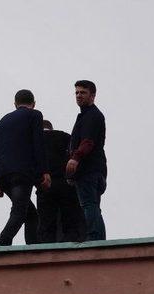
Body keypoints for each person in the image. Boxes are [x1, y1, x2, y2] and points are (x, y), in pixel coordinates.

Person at [0, 89, 50, 246]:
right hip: (22, 174)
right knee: (19, 211)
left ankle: (33, 246)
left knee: (31, 214)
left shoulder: (2, 122)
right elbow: (38, 143)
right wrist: (44, 171)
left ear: (15, 104)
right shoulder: (35, 115)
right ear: (34, 104)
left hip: (3, 175)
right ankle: (3, 242)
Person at [66, 80, 107, 241]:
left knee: (89, 204)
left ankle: (94, 238)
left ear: (93, 95)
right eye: (76, 92)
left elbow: (88, 141)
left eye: (82, 92)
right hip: (95, 169)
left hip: (89, 170)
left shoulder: (91, 115)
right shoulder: (87, 115)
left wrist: (75, 159)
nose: (78, 95)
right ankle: (98, 238)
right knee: (93, 205)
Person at [36, 120, 85, 243]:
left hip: (45, 185)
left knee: (46, 223)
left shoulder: (35, 141)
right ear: (51, 128)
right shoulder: (64, 137)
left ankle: (47, 250)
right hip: (66, 184)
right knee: (70, 221)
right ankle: (69, 245)